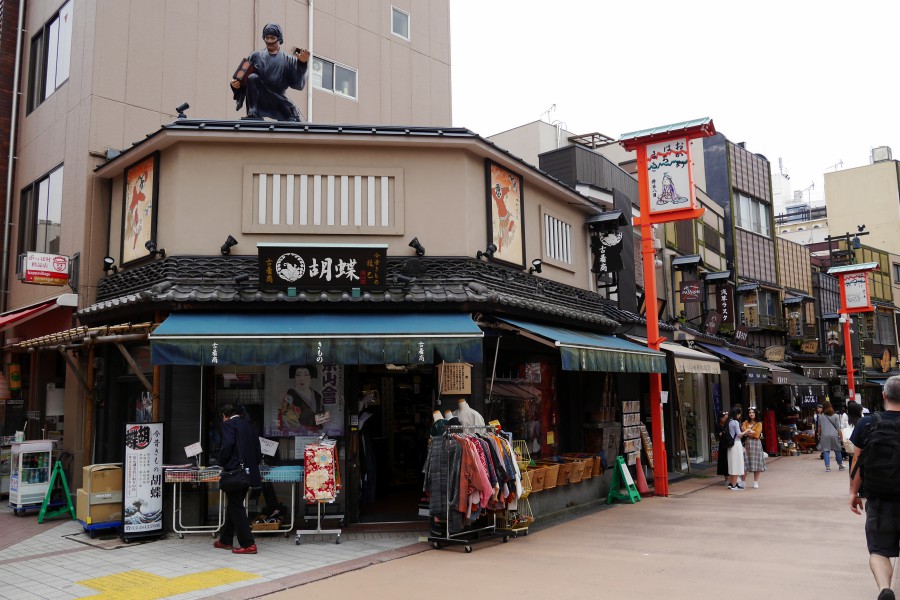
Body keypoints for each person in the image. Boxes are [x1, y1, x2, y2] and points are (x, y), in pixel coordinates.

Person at [849, 376, 900, 600]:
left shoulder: (866, 423)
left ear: (884, 396)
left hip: (879, 498)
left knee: (878, 551)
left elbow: (857, 462)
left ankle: (884, 589)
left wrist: (853, 492)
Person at [230, 23, 309, 121]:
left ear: (279, 38)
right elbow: (241, 76)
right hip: (259, 96)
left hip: (279, 98)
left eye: (272, 38)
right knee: (252, 77)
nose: (269, 41)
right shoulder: (255, 56)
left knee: (292, 118)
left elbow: (298, 85)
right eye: (267, 38)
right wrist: (236, 85)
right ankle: (252, 111)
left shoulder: (289, 60)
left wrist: (302, 63)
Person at [216, 404, 263, 554]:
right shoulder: (250, 426)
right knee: (234, 505)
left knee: (236, 506)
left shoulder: (229, 424)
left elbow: (227, 445)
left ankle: (248, 544)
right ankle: (225, 540)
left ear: (224, 415)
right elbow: (258, 452)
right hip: (248, 473)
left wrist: (221, 462)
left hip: (234, 472)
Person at [279, 365, 323, 433]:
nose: (302, 379)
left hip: (316, 434)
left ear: (311, 377)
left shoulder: (317, 396)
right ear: (294, 377)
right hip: (298, 435)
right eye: (298, 375)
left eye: (306, 375)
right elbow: (288, 420)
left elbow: (321, 418)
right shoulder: (290, 396)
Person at [741, 406, 766, 488]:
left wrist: (748, 431)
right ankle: (743, 481)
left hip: (756, 443)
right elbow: (743, 430)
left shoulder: (759, 423)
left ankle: (755, 481)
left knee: (757, 462)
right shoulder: (745, 422)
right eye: (750, 412)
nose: (751, 414)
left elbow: (757, 434)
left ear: (756, 413)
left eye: (753, 412)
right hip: (748, 443)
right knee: (745, 462)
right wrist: (749, 432)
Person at [817, 400, 844, 472]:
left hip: (824, 435)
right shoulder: (836, 416)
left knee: (826, 450)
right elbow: (838, 428)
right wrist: (841, 437)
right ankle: (840, 466)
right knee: (837, 450)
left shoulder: (821, 417)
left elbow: (819, 427)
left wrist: (818, 434)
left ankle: (827, 467)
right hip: (834, 435)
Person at [726, 406, 746, 490]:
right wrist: (746, 431)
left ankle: (732, 483)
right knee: (737, 464)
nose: (740, 416)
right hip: (736, 444)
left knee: (732, 463)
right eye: (739, 414)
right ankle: (734, 484)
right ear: (737, 414)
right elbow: (739, 434)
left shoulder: (729, 422)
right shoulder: (735, 422)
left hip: (730, 445)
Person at [844, 401, 864, 478]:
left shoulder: (847, 422)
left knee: (852, 461)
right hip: (860, 445)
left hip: (851, 445)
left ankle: (852, 475)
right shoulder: (861, 421)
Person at [715, 412, 730, 483]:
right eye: (724, 418)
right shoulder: (718, 425)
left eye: (727, 418)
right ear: (720, 418)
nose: (726, 419)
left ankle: (731, 478)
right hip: (723, 445)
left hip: (729, 444)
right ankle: (726, 479)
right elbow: (720, 435)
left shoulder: (728, 424)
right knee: (724, 461)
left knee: (729, 461)